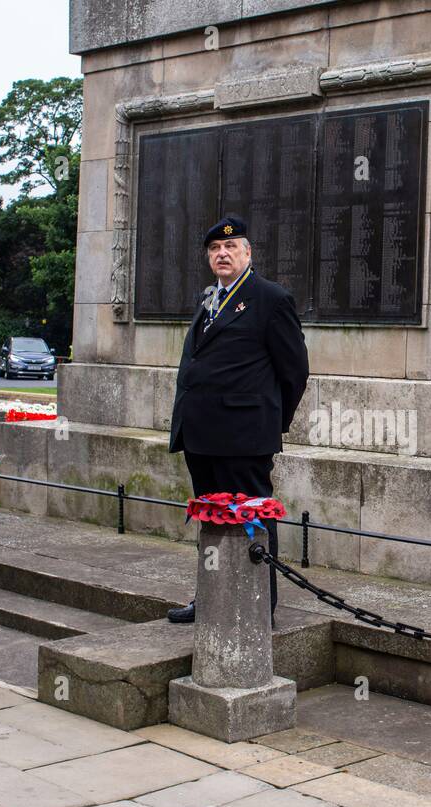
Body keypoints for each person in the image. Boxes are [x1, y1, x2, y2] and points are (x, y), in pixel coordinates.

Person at [166, 215, 310, 624]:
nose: (222, 254)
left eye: (231, 247)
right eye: (214, 249)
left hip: (244, 437)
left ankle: (258, 606)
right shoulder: (210, 299)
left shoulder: (270, 298)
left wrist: (267, 421)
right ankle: (211, 597)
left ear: (248, 253)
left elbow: (294, 370)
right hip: (201, 436)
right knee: (211, 520)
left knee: (253, 520)